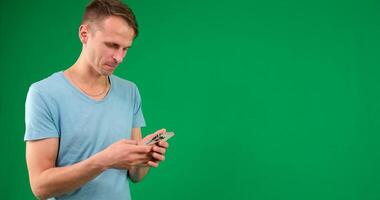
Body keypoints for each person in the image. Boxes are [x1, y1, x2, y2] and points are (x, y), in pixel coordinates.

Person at [24, 0, 169, 199]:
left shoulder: (130, 91)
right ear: (84, 34)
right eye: (112, 45)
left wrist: (144, 157)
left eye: (125, 48)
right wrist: (104, 160)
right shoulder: (44, 94)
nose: (119, 58)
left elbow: (135, 175)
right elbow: (40, 186)